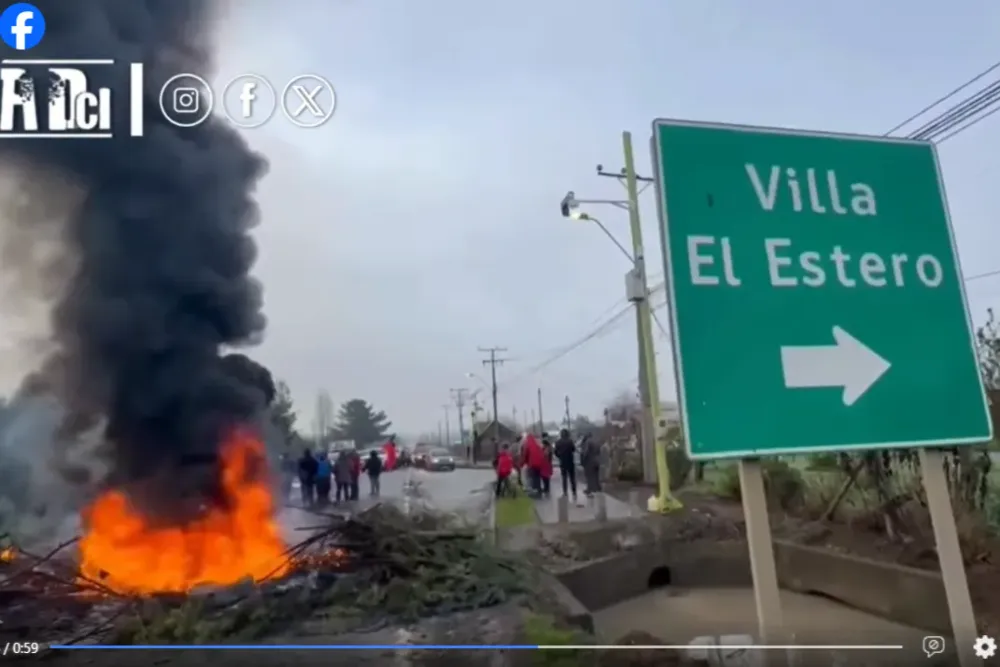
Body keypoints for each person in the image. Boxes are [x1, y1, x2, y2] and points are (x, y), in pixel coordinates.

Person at [554, 429, 578, 502]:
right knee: (572, 478)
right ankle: (574, 492)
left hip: (563, 462)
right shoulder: (570, 441)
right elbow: (573, 449)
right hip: (570, 461)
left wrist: (560, 456)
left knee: (564, 478)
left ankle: (565, 493)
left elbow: (555, 452)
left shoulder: (558, 442)